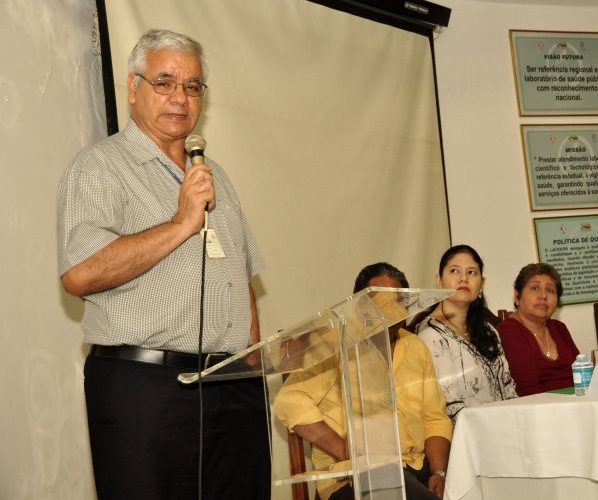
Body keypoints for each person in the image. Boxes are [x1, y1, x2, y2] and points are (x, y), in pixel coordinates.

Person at [57, 30, 269, 499]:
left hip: (232, 387)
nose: (180, 97)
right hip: (147, 388)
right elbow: (80, 272)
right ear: (133, 88)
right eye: (165, 82)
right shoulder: (100, 166)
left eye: (192, 86)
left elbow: (241, 278)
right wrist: (180, 223)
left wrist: (250, 365)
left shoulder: (216, 176)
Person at [274, 263, 452, 500]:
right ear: (358, 306)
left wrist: (438, 472)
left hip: (415, 468)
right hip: (352, 477)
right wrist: (348, 452)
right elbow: (289, 402)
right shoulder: (334, 344)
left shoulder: (415, 346)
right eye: (378, 302)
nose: (387, 311)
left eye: (395, 302)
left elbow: (435, 417)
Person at [415, 245, 517, 420]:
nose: (463, 278)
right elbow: (451, 408)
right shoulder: (429, 334)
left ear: (482, 284)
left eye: (472, 272)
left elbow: (509, 390)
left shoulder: (489, 330)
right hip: (464, 437)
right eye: (454, 271)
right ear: (439, 281)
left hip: (505, 427)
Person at [497, 263, 579, 396]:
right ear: (517, 296)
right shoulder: (509, 332)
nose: (543, 296)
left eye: (550, 290)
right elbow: (528, 392)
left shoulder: (559, 328)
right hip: (537, 411)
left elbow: (583, 375)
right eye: (535, 288)